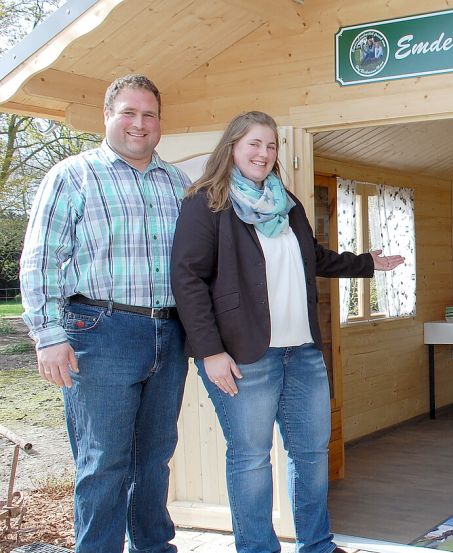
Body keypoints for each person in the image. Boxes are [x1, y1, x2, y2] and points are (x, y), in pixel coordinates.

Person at [170, 111, 404, 553]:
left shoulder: (287, 203)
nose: (263, 153)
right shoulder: (206, 203)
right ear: (232, 147)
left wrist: (367, 263)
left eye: (271, 145)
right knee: (252, 459)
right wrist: (209, 352)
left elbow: (310, 257)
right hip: (244, 357)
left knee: (312, 456)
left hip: (302, 352)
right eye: (254, 143)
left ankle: (316, 545)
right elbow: (187, 279)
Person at [19, 74, 191, 553]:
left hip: (169, 332)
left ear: (159, 122)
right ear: (107, 116)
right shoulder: (73, 175)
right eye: (129, 113)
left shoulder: (179, 183)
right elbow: (40, 260)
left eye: (149, 114)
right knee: (104, 461)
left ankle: (153, 548)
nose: (140, 124)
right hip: (100, 331)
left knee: (155, 460)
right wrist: (48, 335)